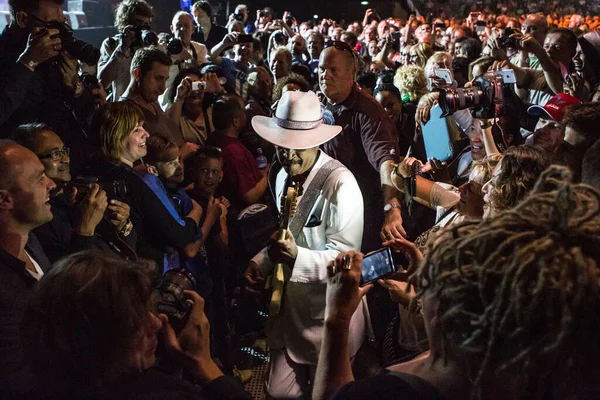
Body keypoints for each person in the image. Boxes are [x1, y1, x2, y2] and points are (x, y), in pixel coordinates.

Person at [314, 165, 600, 400]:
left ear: (450, 310)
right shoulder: (524, 370)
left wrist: (337, 319)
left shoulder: (394, 391)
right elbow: (398, 176)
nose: (467, 188)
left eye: (437, 279)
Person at [245, 90, 366, 398]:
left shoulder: (342, 184)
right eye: (282, 146)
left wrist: (297, 257)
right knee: (280, 391)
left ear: (318, 140)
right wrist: (261, 262)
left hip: (325, 314)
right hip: (289, 312)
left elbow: (346, 259)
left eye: (298, 147)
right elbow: (286, 233)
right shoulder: (281, 175)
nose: (289, 155)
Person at [21, 251, 253, 399]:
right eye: (134, 318)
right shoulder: (164, 393)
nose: (155, 322)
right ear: (97, 339)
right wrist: (204, 365)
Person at [86, 101, 202, 271]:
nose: (146, 134)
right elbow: (179, 235)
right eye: (136, 130)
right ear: (117, 137)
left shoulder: (98, 171)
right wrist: (197, 212)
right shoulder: (135, 182)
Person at [318, 40, 404, 252]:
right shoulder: (324, 102)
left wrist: (391, 207)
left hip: (362, 214)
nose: (325, 75)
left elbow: (386, 162)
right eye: (322, 69)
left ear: (352, 73)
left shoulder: (369, 112)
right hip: (331, 207)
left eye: (333, 70)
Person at [12, 123, 138, 263]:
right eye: (55, 154)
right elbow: (69, 278)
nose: (66, 159)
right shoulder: (36, 215)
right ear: (31, 161)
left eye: (65, 151)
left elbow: (126, 251)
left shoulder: (79, 195)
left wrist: (123, 225)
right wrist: (85, 230)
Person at [0, 0, 97, 170]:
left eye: (63, 22)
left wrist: (77, 88)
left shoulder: (56, 52)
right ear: (23, 19)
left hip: (71, 163)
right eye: (54, 24)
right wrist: (28, 62)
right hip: (25, 171)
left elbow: (87, 110)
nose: (61, 31)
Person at [0, 140, 54, 398]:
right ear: (4, 199)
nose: (51, 184)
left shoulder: (32, 241)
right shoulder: (5, 292)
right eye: (39, 179)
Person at [121, 46, 198, 158]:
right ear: (137, 74)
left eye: (165, 80)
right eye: (158, 78)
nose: (162, 88)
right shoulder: (125, 113)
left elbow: (169, 127)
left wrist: (179, 100)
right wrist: (179, 156)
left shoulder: (150, 100)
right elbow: (135, 164)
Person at [207, 94, 267, 211]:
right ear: (236, 121)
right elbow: (250, 195)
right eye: (244, 111)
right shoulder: (234, 153)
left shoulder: (213, 138)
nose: (246, 115)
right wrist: (268, 175)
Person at [97, 0, 154, 102]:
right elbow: (102, 81)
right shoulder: (112, 44)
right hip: (122, 109)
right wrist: (122, 48)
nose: (143, 28)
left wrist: (155, 47)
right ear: (126, 23)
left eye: (146, 24)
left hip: (147, 108)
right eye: (139, 23)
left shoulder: (150, 45)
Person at [158, 11, 208, 111]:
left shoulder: (200, 49)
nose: (182, 29)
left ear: (193, 28)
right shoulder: (163, 49)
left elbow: (202, 77)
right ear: (172, 28)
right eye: (178, 26)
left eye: (186, 26)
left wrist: (187, 57)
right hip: (167, 102)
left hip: (191, 102)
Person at [210, 32, 255, 101]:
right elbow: (210, 57)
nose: (244, 48)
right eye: (241, 45)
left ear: (252, 51)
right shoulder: (226, 63)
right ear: (234, 48)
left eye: (248, 46)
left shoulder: (253, 71)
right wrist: (223, 44)